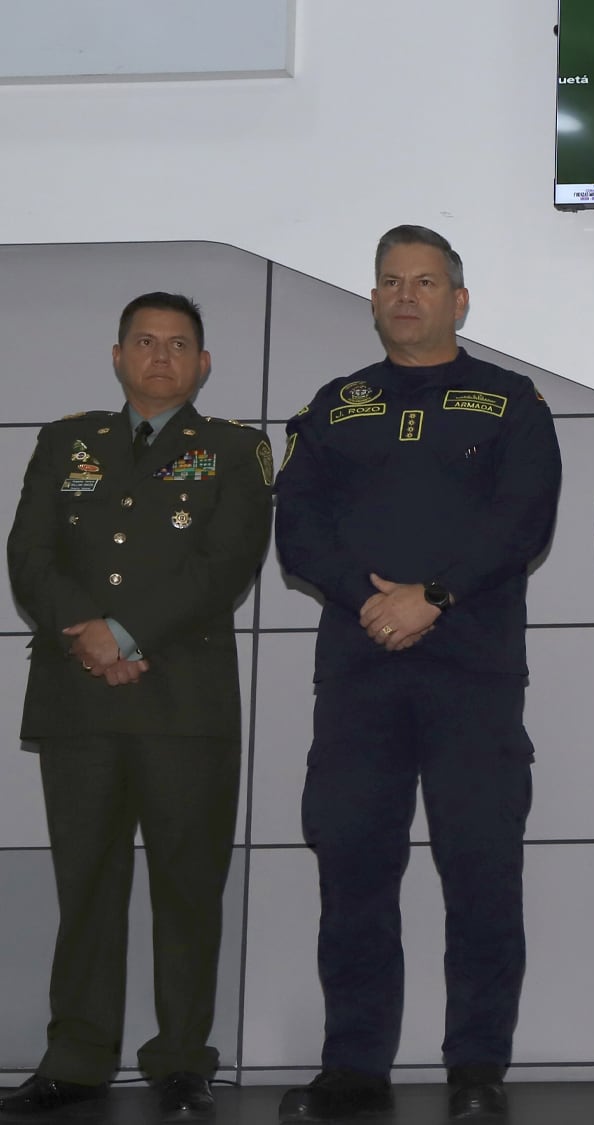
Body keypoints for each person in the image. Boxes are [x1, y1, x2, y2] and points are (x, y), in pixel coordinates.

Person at [272, 225, 561, 1122]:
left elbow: (523, 520)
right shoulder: (334, 406)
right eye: (391, 281)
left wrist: (433, 595)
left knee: (482, 873)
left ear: (458, 300)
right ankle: (353, 1066)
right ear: (373, 299)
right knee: (353, 872)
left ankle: (477, 1066)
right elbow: (298, 528)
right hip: (359, 675)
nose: (407, 295)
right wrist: (374, 601)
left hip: (473, 675)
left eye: (426, 281)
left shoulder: (510, 401)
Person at [1, 293, 271, 1122]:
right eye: (145, 341)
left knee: (188, 886)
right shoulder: (65, 442)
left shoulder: (236, 449)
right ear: (117, 356)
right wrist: (89, 634)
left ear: (203, 364)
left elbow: (226, 562)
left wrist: (122, 632)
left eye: (178, 344)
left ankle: (182, 1061)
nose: (161, 356)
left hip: (184, 704)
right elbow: (28, 552)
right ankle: (77, 1057)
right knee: (86, 883)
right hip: (79, 698)